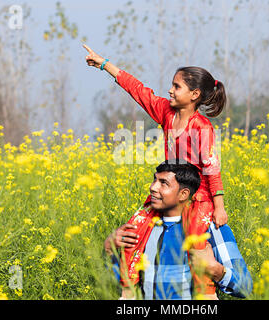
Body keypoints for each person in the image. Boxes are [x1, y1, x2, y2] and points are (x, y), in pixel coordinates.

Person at [84, 44, 229, 297]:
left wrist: (219, 207)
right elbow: (138, 90)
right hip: (167, 189)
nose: (170, 91)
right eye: (171, 85)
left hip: (198, 197)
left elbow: (211, 169)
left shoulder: (202, 127)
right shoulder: (165, 112)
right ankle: (127, 294)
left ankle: (207, 296)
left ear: (194, 94)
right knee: (132, 231)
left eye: (176, 87)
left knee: (195, 247)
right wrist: (104, 64)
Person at [103, 161, 252, 300]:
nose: (153, 187)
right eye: (155, 180)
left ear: (183, 194)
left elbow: (245, 286)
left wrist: (215, 269)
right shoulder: (143, 228)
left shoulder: (211, 228)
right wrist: (110, 250)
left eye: (164, 183)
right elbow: (121, 280)